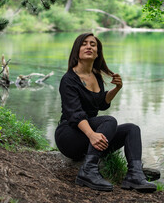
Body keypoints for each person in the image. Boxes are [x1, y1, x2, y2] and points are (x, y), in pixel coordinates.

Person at [54, 33, 157, 192]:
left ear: (97, 53)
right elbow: (75, 115)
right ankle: (88, 171)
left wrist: (116, 89)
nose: (89, 46)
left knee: (132, 129)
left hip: (89, 138)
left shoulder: (95, 76)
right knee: (109, 121)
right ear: (77, 50)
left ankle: (134, 176)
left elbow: (101, 103)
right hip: (69, 136)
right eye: (84, 44)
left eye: (93, 45)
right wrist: (92, 135)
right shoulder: (68, 79)